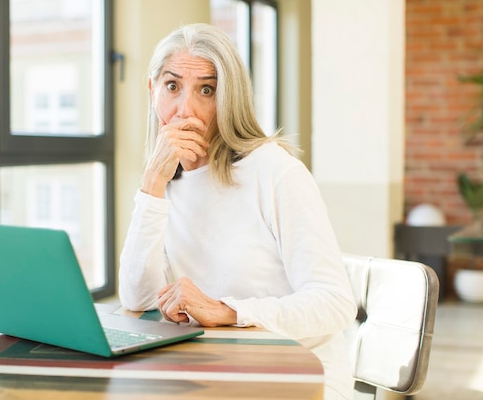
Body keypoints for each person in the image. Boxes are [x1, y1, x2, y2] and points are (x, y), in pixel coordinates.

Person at [118, 23, 357, 400]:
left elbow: (336, 303)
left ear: (229, 97)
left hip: (298, 378)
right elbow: (137, 299)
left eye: (207, 90)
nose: (186, 110)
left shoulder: (276, 173)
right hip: (210, 370)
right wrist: (151, 186)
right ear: (153, 91)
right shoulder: (165, 180)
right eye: (172, 86)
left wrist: (229, 311)